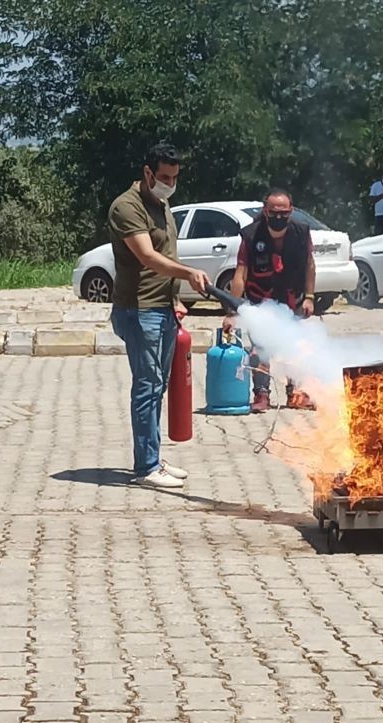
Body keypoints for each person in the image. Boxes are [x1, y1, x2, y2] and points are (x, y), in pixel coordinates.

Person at [107, 143, 211, 490]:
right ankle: (146, 467)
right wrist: (189, 274)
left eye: (175, 177)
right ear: (147, 173)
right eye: (164, 177)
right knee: (147, 387)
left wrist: (176, 298)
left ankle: (152, 457)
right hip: (139, 311)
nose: (170, 184)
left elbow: (168, 252)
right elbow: (148, 257)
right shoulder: (126, 207)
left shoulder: (162, 205)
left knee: (157, 386)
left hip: (163, 309)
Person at [222, 188, 317, 414]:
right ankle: (261, 395)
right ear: (265, 211)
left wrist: (310, 297)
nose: (279, 217)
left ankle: (296, 394)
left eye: (283, 213)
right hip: (260, 300)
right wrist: (232, 312)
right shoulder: (251, 235)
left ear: (291, 211)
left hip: (292, 298)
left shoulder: (301, 232)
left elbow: (309, 265)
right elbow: (240, 274)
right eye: (274, 212)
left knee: (294, 346)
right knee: (260, 349)